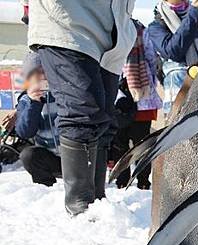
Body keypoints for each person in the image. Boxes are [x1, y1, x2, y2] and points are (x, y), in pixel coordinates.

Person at [28, 0, 136, 215]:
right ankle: (80, 204)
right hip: (67, 22)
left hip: (112, 32)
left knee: (103, 121)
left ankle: (96, 198)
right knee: (82, 112)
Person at [111, 20, 163, 190]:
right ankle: (142, 180)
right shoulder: (140, 30)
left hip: (118, 93)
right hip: (142, 92)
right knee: (141, 142)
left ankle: (124, 179)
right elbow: (151, 58)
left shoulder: (107, 26)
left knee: (121, 141)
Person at [147, 0, 198, 116]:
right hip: (179, 100)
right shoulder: (156, 26)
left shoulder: (197, 19)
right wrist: (194, 13)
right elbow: (174, 51)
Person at [14, 52, 60, 186]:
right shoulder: (25, 100)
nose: (42, 78)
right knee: (28, 155)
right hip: (49, 156)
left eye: (44, 72)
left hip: (73, 155)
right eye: (36, 74)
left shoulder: (64, 93)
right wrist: (33, 103)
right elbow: (24, 132)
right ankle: (45, 188)